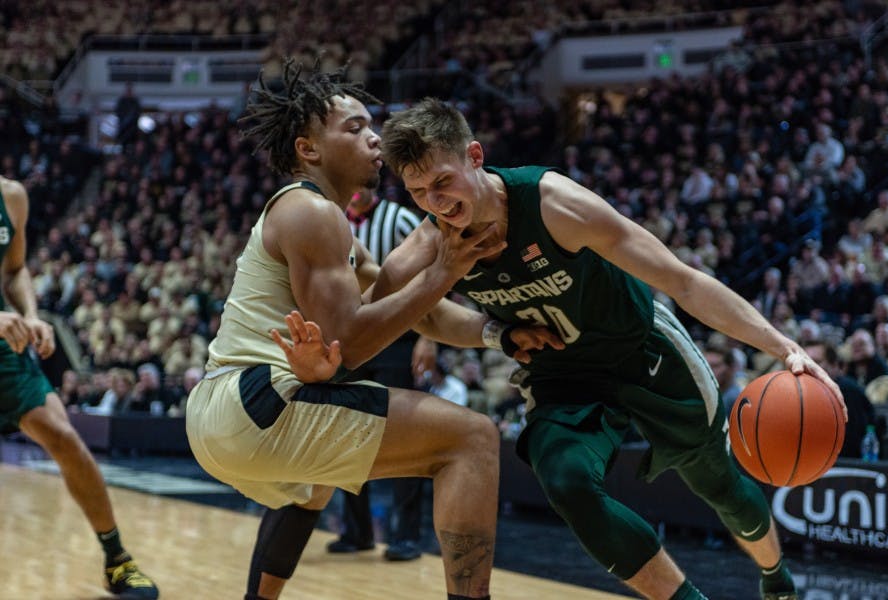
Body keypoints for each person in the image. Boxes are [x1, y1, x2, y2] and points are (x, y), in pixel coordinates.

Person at [376, 98, 847, 600]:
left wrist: (783, 347)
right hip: (562, 375)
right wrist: (493, 331)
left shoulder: (554, 204)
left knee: (719, 487)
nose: (435, 202)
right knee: (567, 482)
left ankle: (776, 578)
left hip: (640, 349)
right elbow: (384, 314)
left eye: (442, 182)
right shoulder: (431, 245)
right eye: (418, 191)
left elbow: (682, 281)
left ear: (474, 155)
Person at [184, 61, 561, 600]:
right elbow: (350, 344)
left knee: (313, 486)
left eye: (372, 124)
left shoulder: (326, 222)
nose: (374, 137)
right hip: (255, 402)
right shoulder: (312, 212)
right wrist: (444, 272)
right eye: (355, 128)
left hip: (226, 413)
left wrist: (497, 335)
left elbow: (420, 312)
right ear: (308, 149)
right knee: (473, 439)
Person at [0, 176, 158, 597]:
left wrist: (31, 315)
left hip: (4, 343)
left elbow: (14, 270)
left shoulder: (11, 196)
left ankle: (117, 560)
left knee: (65, 439)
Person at [326, 187, 431, 562]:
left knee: (402, 432)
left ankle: (406, 535)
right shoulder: (333, 222)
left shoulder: (400, 218)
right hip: (351, 339)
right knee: (347, 434)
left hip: (398, 338)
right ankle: (357, 532)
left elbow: (429, 277)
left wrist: (427, 338)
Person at [803, 341, 877, 458]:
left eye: (816, 362)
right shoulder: (803, 391)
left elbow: (852, 442)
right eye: (805, 361)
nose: (808, 367)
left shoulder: (849, 391)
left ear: (834, 365)